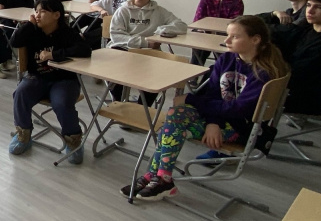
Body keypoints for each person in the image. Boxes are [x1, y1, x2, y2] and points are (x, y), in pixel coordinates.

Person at [123, 15, 290, 201]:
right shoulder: (227, 59)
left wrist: (191, 99)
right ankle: (160, 178)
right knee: (175, 114)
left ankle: (157, 176)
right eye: (227, 35)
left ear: (255, 40)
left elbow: (238, 109)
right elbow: (212, 94)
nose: (227, 41)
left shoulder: (264, 72)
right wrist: (213, 122)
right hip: (219, 117)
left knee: (172, 125)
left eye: (235, 37)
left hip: (240, 127)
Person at [8, 0, 93, 163]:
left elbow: (85, 50)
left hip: (64, 79)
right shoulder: (32, 30)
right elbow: (14, 41)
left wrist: (54, 55)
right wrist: (29, 24)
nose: (38, 15)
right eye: (36, 11)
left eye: (43, 11)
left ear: (56, 15)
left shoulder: (66, 32)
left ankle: (73, 140)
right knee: (20, 94)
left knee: (62, 103)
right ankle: (23, 134)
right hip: (37, 77)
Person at [108, 0, 186, 104]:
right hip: (125, 49)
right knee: (114, 67)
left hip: (149, 53)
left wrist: (160, 31)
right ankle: (119, 103)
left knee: (159, 72)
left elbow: (181, 26)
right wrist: (145, 42)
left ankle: (143, 107)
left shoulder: (159, 11)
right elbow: (116, 36)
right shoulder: (123, 10)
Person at [191, 0, 245, 66]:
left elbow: (234, 23)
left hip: (224, 36)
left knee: (223, 62)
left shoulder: (237, 2)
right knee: (197, 59)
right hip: (204, 34)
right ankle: (194, 74)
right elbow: (198, 19)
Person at [0, 0, 35, 72]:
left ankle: (30, 59)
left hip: (23, 20)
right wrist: (12, 18)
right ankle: (6, 60)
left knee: (32, 31)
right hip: (7, 19)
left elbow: (31, 10)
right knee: (7, 32)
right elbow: (0, 11)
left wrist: (23, 19)